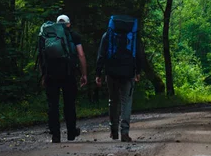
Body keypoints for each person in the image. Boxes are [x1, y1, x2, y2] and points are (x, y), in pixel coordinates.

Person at [39, 14, 87, 143]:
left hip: (50, 74)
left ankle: (55, 135)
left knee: (53, 105)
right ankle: (71, 133)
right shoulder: (74, 35)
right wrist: (84, 74)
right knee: (69, 104)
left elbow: (41, 57)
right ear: (69, 24)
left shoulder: (46, 35)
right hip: (68, 74)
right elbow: (81, 55)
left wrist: (43, 75)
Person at [95, 15, 142, 142]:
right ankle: (125, 132)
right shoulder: (133, 36)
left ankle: (113, 131)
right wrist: (138, 71)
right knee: (126, 102)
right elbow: (139, 54)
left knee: (113, 100)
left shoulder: (108, 36)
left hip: (111, 72)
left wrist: (98, 73)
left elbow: (101, 55)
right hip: (128, 72)